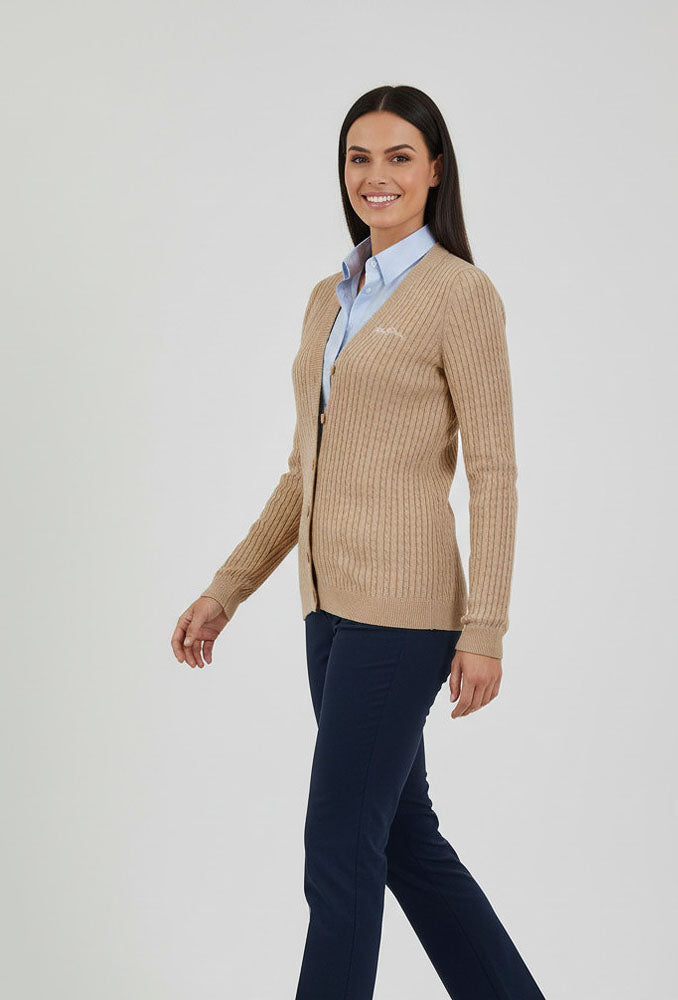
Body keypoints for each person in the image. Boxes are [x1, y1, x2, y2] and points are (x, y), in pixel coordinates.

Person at [171, 84, 547, 1000]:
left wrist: (486, 626)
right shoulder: (328, 297)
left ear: (435, 170)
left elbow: (494, 471)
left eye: (399, 157)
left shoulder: (461, 293)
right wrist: (227, 588)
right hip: (327, 611)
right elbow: (304, 471)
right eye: (359, 158)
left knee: (340, 845)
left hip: (404, 616)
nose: (377, 176)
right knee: (404, 841)